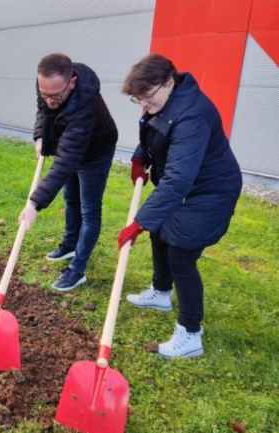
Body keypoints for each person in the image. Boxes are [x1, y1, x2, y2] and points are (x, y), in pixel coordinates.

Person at [118, 54, 242, 359]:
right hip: (191, 187)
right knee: (160, 230)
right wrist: (139, 157)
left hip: (212, 191)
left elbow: (177, 181)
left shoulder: (191, 116)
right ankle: (161, 292)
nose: (143, 106)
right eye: (137, 100)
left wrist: (139, 221)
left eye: (146, 98)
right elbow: (154, 133)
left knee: (182, 255)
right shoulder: (161, 102)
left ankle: (190, 335)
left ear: (169, 82)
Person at [18, 53, 118, 292]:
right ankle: (70, 244)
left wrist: (34, 204)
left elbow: (64, 163)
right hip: (71, 144)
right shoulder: (48, 85)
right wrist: (40, 134)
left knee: (89, 209)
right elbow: (43, 109)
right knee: (70, 198)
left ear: (71, 82)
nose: (50, 100)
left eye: (56, 95)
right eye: (45, 93)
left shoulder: (86, 106)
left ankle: (78, 268)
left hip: (95, 152)